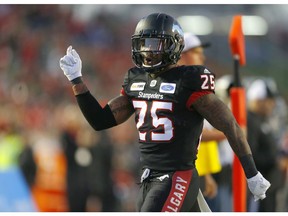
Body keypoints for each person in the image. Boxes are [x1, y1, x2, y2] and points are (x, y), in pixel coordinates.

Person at [59, 12, 271, 212]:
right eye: (143, 43)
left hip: (177, 176)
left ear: (174, 45)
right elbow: (100, 120)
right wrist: (76, 80)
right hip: (147, 179)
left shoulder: (189, 80)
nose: (147, 51)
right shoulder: (136, 79)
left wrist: (251, 173)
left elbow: (229, 124)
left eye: (154, 44)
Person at [178, 33, 224, 202]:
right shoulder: (180, 86)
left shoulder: (197, 84)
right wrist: (227, 132)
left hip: (200, 172)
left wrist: (207, 175)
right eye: (196, 51)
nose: (202, 56)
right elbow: (193, 134)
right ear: (182, 54)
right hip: (184, 174)